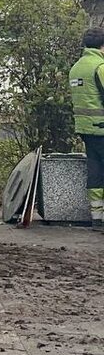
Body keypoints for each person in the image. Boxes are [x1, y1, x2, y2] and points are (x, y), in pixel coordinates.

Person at [68, 27, 104, 230]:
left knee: (96, 171)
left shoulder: (76, 68)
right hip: (102, 127)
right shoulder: (99, 66)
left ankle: (97, 218)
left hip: (86, 129)